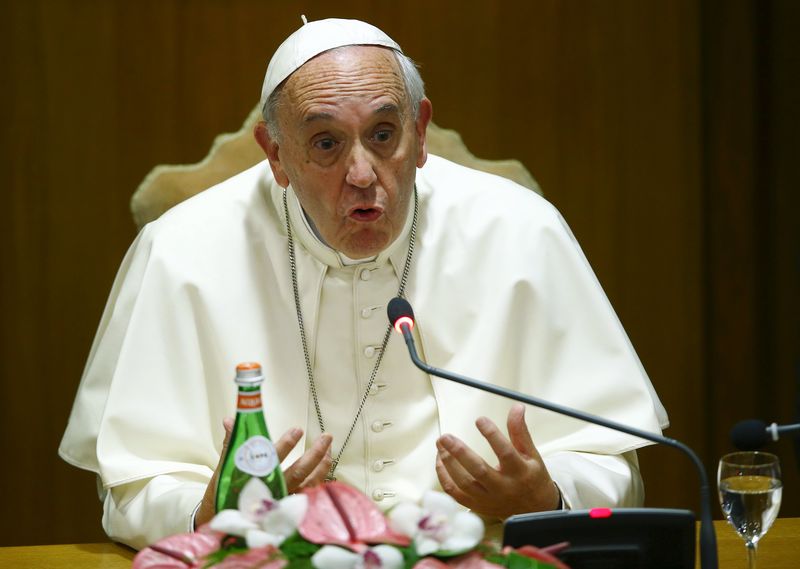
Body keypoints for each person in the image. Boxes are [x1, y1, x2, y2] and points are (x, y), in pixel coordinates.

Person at [60, 18, 668, 550]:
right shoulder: (181, 250)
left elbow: (612, 462)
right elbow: (130, 488)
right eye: (325, 143)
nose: (362, 175)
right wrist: (207, 512)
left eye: (384, 135)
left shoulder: (522, 231)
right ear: (275, 154)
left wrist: (546, 496)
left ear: (421, 130)